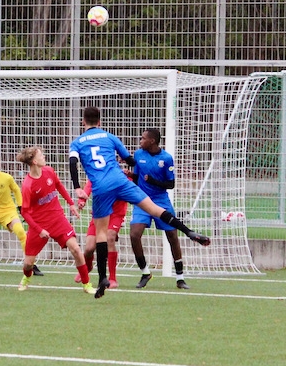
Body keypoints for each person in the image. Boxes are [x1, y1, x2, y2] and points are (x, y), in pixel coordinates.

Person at [69, 106, 209, 299]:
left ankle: (102, 278)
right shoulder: (110, 137)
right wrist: (131, 165)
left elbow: (72, 163)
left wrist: (77, 187)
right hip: (119, 180)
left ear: (83, 122)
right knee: (155, 209)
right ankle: (189, 232)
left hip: (101, 187)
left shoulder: (77, 143)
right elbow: (128, 159)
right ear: (100, 122)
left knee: (101, 234)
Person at [15, 146, 93, 293]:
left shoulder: (49, 171)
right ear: (34, 161)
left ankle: (87, 284)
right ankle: (26, 277)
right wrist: (39, 230)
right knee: (28, 264)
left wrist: (71, 204)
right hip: (39, 225)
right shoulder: (27, 185)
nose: (44, 157)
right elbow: (24, 212)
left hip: (58, 219)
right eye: (41, 155)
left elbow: (59, 186)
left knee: (76, 249)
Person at [128, 127, 190, 289]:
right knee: (134, 235)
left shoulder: (167, 158)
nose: (140, 141)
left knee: (172, 236)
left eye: (143, 138)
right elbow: (136, 177)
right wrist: (129, 179)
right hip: (142, 200)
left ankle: (180, 278)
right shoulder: (138, 155)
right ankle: (145, 272)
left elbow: (171, 184)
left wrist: (153, 181)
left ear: (152, 141)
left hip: (161, 200)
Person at [77, 173, 131, 288]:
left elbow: (133, 188)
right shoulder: (99, 172)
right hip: (100, 213)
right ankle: (88, 266)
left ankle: (112, 278)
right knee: (89, 248)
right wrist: (82, 199)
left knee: (110, 237)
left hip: (116, 214)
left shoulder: (124, 175)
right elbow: (89, 186)